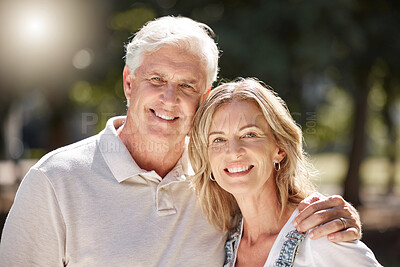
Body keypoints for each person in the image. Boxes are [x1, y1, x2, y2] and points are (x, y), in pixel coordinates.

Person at [1, 16, 361, 266]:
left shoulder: (221, 175)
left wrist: (337, 220)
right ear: (129, 82)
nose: (169, 98)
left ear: (203, 97)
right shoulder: (54, 181)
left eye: (187, 85)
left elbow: (279, 212)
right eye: (156, 79)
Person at [188, 78, 382, 267]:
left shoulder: (321, 236)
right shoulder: (221, 241)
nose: (233, 151)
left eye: (250, 134)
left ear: (279, 150)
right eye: (218, 140)